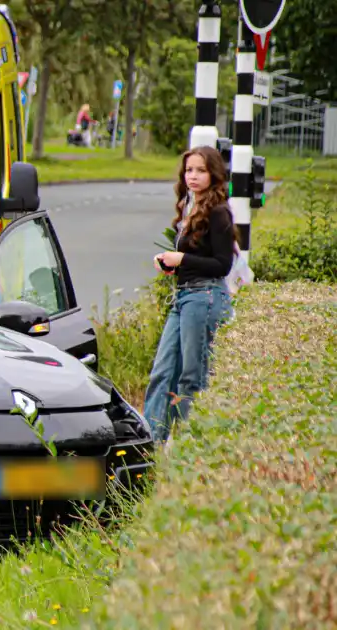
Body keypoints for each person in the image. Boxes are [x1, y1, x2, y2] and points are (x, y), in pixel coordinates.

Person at [142, 146, 237, 443]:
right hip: (183, 297)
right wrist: (172, 266)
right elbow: (197, 258)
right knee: (162, 371)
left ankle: (189, 449)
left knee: (191, 378)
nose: (193, 176)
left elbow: (222, 265)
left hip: (205, 299)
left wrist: (181, 260)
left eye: (200, 170)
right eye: (189, 170)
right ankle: (150, 447)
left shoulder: (219, 212)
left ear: (214, 175)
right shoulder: (189, 206)